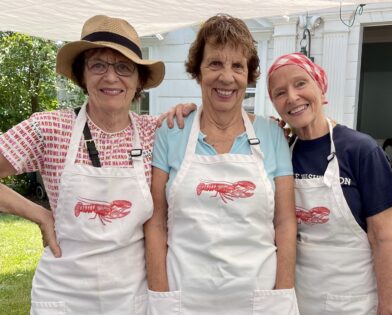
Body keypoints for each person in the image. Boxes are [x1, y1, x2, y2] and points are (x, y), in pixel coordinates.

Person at [0, 14, 175, 315]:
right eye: (98, 65)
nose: (111, 77)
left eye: (123, 67)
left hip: (130, 298)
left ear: (138, 81)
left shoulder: (155, 133)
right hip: (63, 297)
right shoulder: (49, 127)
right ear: (82, 75)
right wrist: (40, 214)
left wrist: (189, 110)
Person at [144, 14, 299, 315]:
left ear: (248, 75)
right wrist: (160, 295)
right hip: (183, 297)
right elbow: (156, 223)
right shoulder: (171, 132)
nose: (227, 77)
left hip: (259, 298)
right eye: (215, 63)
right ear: (198, 72)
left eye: (237, 66)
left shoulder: (272, 134)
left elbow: (285, 222)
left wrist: (282, 292)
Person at [267, 52, 392, 315]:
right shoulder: (281, 151)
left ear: (320, 87)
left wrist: (387, 308)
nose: (292, 97)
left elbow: (383, 238)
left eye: (300, 84)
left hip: (353, 302)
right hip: (298, 300)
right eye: (279, 92)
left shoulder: (361, 150)